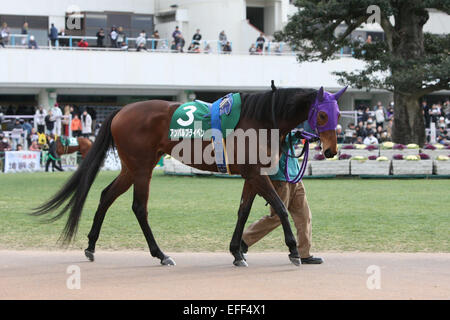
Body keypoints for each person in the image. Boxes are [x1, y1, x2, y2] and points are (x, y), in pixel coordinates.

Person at [242, 131, 323, 264]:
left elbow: (291, 137)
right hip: (279, 179)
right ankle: (243, 241)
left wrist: (305, 136)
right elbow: (281, 138)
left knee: (304, 216)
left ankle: (304, 254)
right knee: (277, 218)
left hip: (295, 178)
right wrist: (296, 135)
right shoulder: (271, 127)